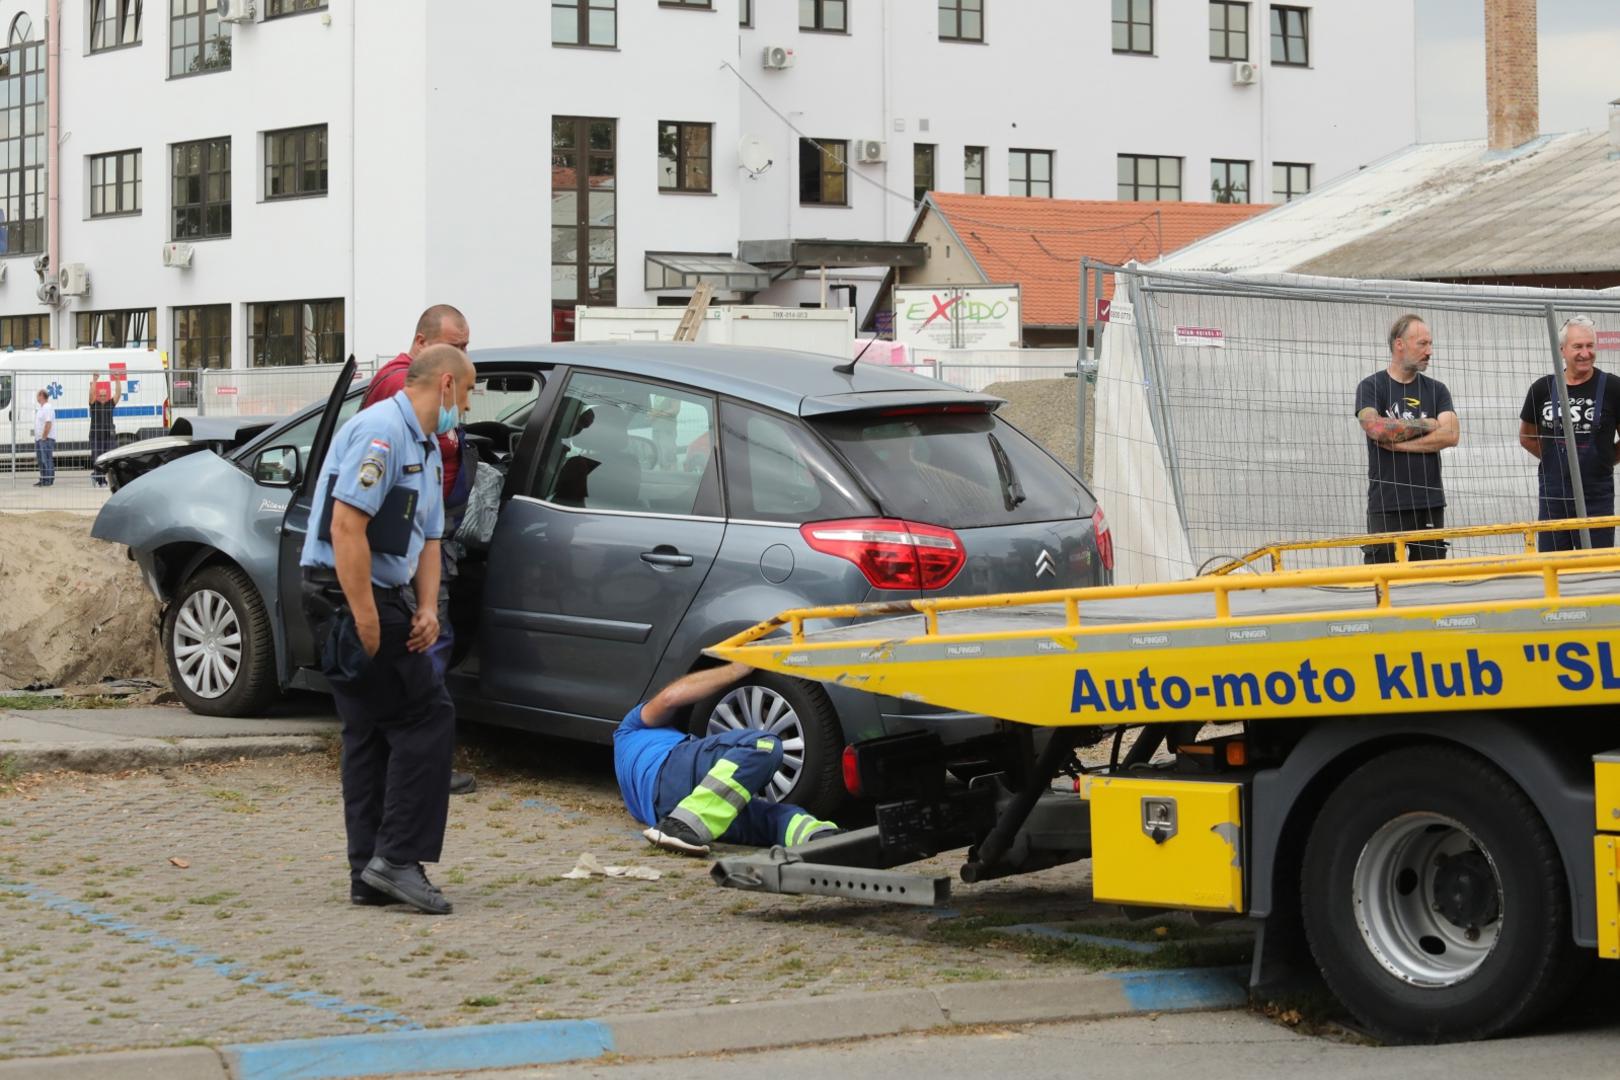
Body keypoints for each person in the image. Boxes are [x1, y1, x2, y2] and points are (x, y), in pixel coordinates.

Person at [299, 344, 475, 914]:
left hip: (382, 593)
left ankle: (368, 870)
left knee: (370, 730)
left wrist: (427, 608)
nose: (466, 409)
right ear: (445, 383)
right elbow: (347, 525)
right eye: (467, 394)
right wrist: (367, 617)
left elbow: (427, 536)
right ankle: (398, 859)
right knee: (428, 715)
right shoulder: (383, 433)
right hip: (349, 593)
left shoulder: (424, 443)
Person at [362, 304, 479, 796]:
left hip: (430, 532)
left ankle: (414, 757)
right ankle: (418, 759)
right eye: (454, 344)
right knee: (423, 648)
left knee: (431, 637)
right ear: (422, 345)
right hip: (402, 542)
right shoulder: (396, 395)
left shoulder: (431, 407)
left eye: (467, 346)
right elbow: (352, 520)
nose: (462, 355)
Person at [615, 662, 839, 856]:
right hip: (671, 777)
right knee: (764, 745)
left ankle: (822, 838)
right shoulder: (630, 726)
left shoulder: (631, 778)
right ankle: (680, 825)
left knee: (776, 818)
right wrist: (736, 669)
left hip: (666, 810)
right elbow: (669, 698)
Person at [1354, 314, 1459, 563]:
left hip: (1428, 502)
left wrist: (1400, 446)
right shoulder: (1371, 387)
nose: (1429, 351)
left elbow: (1451, 434)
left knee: (1431, 581)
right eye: (1422, 344)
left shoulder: (1436, 390)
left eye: (1430, 344)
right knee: (1383, 577)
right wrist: (1428, 423)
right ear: (1399, 344)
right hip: (1387, 503)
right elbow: (1376, 428)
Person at [1518, 315, 1620, 551]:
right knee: (1553, 564)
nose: (1585, 353)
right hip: (1554, 497)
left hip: (1597, 495)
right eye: (1578, 346)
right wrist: (1556, 458)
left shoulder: (1613, 387)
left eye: (1590, 345)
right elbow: (1526, 437)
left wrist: (1605, 458)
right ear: (1562, 350)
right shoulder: (1542, 388)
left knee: (1596, 568)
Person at [87, 374, 121, 487]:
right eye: (100, 395)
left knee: (108, 459)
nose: (102, 397)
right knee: (97, 458)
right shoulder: (93, 404)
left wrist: (117, 380)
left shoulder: (109, 404)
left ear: (106, 396)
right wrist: (95, 380)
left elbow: (118, 394)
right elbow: (91, 394)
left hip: (108, 436)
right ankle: (100, 479)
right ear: (98, 395)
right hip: (96, 436)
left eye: (104, 395)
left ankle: (98, 476)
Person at [31, 388, 54, 487]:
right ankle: (43, 479)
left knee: (46, 460)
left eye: (38, 395)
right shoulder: (41, 408)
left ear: (41, 396)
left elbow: (48, 423)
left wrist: (44, 436)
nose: (37, 397)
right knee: (41, 460)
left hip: (46, 439)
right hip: (40, 439)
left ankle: (48, 480)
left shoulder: (47, 407)